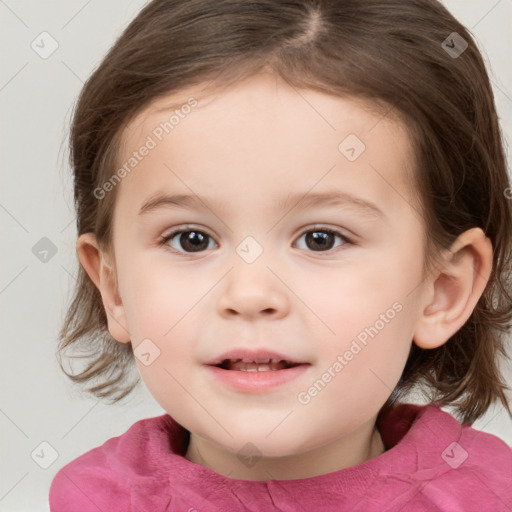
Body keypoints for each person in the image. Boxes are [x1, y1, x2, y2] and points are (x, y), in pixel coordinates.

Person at [49, 0, 512, 510]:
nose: (250, 295)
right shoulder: (91, 500)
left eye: (321, 239)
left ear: (442, 291)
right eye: (191, 239)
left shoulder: (490, 496)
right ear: (113, 288)